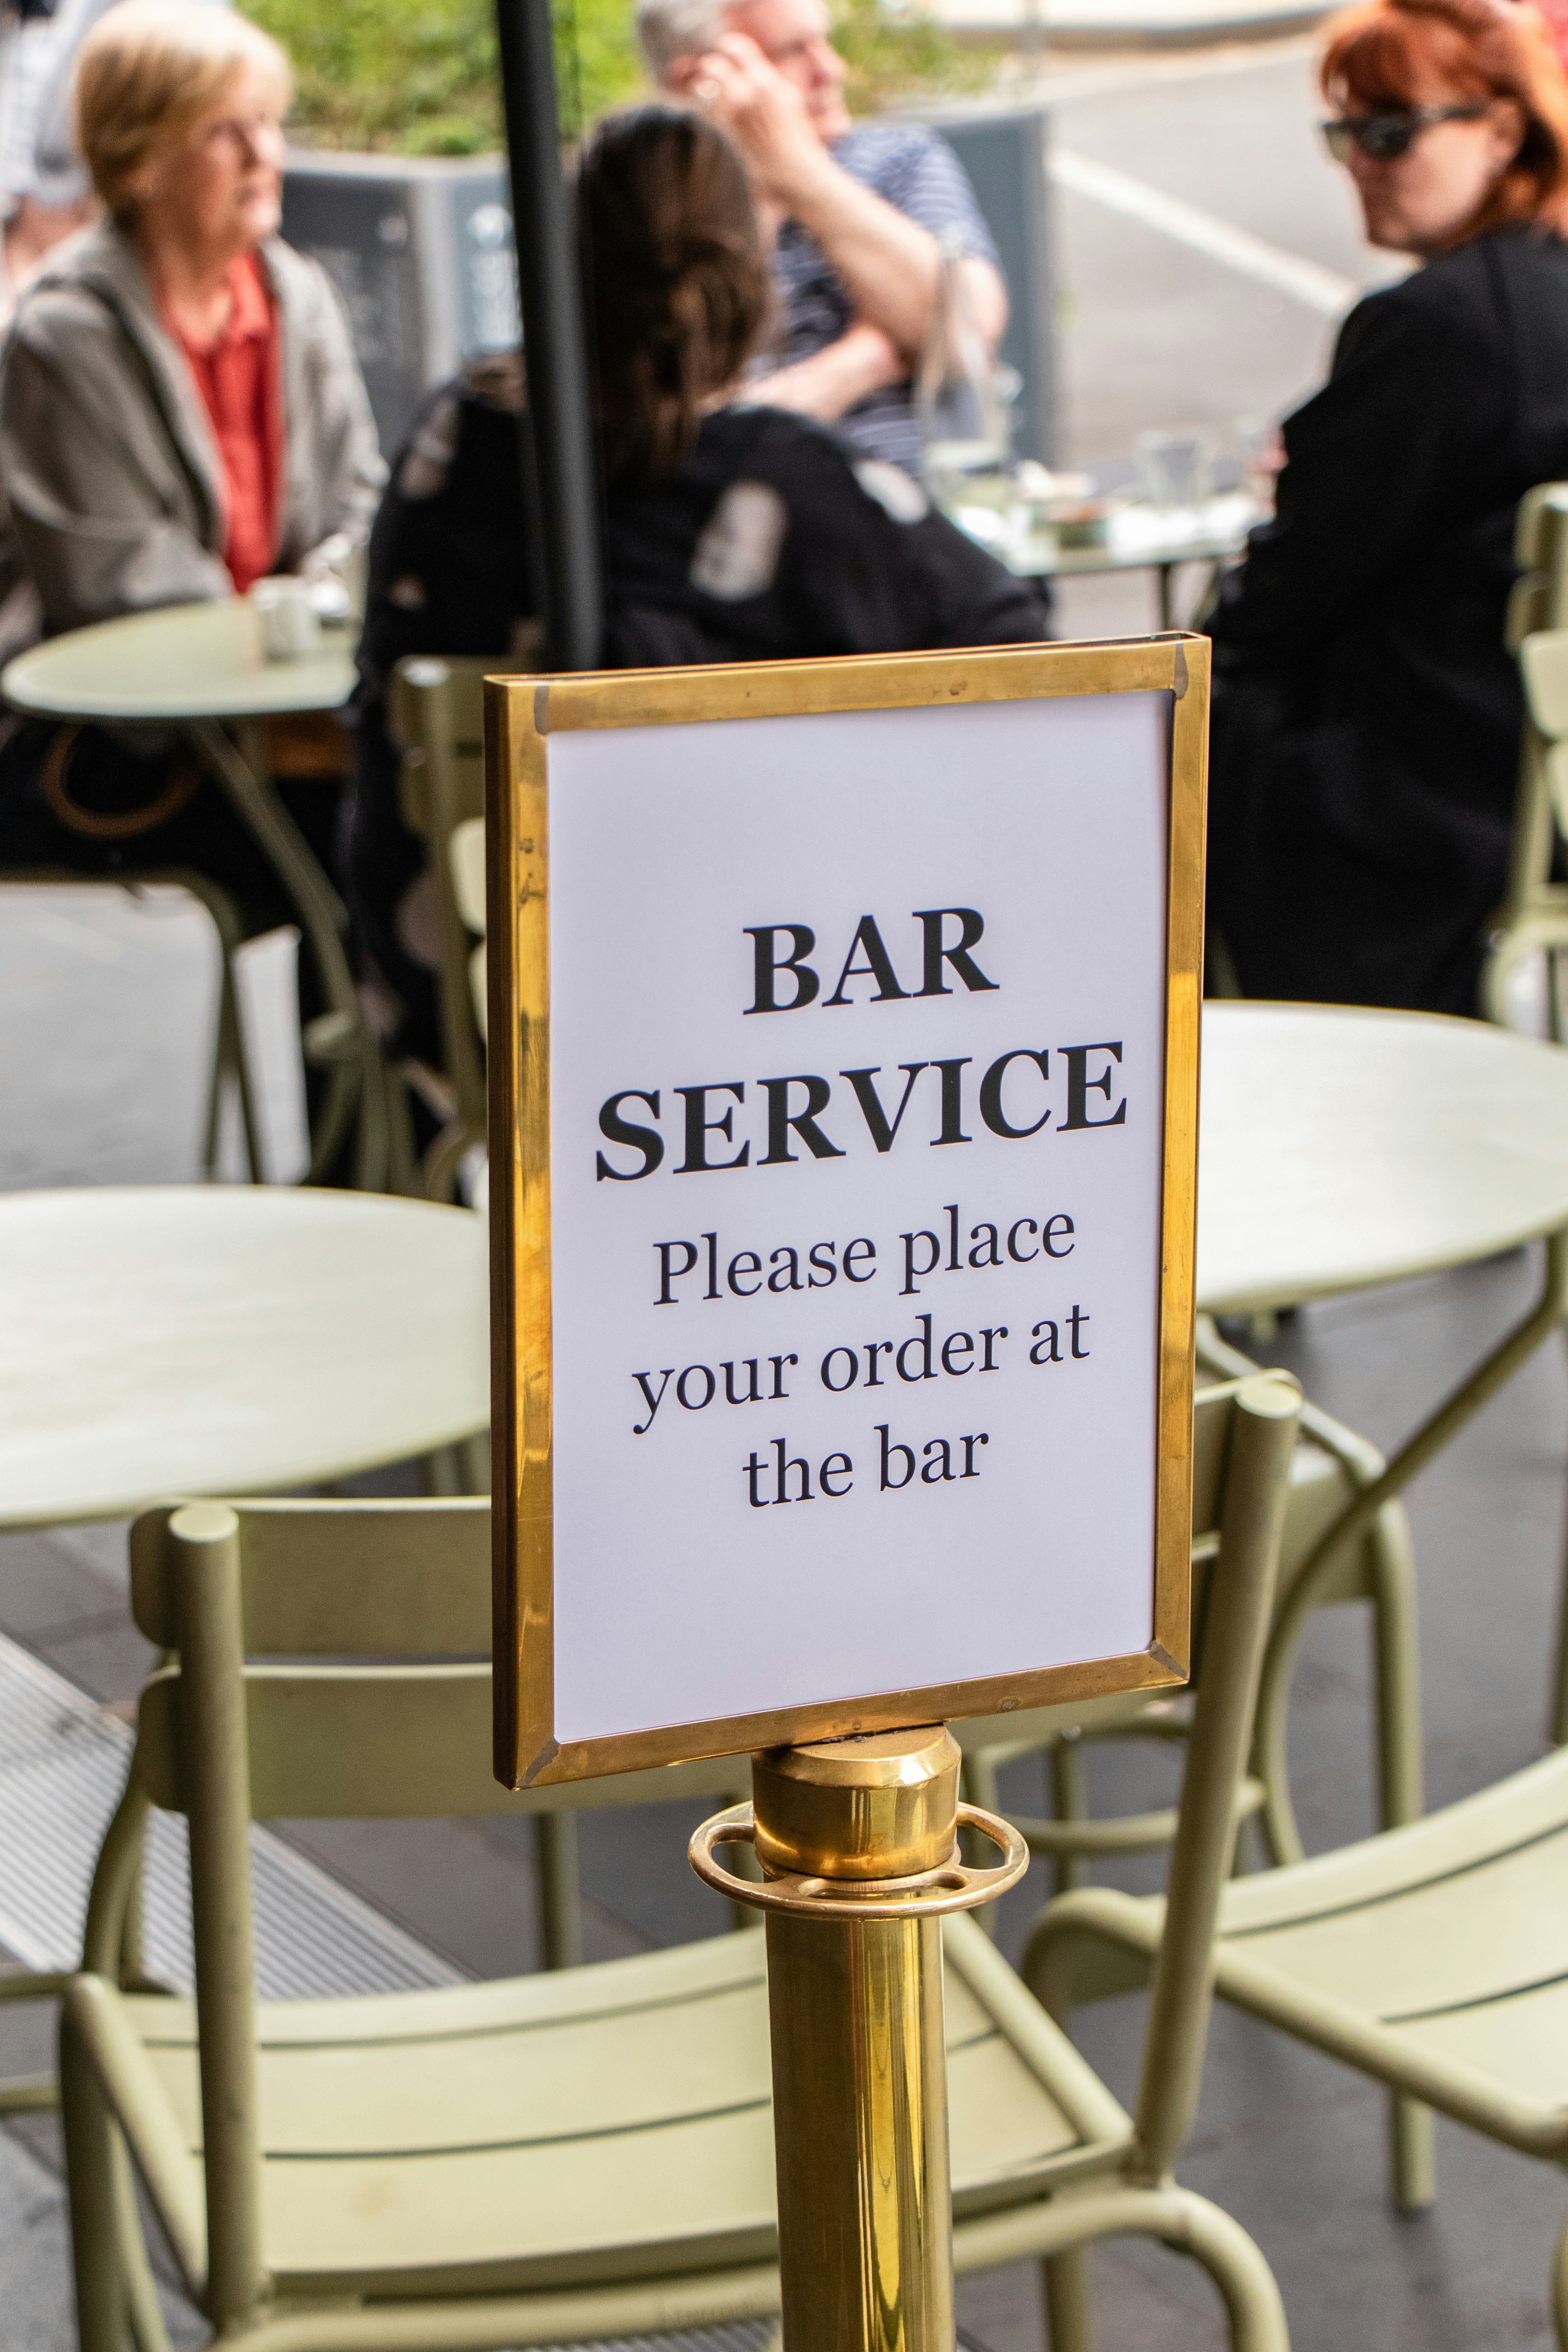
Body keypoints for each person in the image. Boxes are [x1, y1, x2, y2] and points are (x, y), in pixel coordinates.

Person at [348, 104, 1043, 1074]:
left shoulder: (456, 442)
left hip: (476, 1008)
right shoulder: (801, 491)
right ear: (750, 269)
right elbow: (1016, 649)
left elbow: (380, 666)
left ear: (563, 259)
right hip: (754, 1043)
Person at [0, 0, 383, 1009]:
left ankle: (379, 1118)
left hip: (280, 713)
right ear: (136, 163)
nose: (267, 155)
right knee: (356, 831)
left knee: (395, 806)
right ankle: (355, 1135)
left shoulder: (292, 292)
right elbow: (116, 588)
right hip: (104, 745)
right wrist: (306, 626)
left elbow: (358, 504)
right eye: (226, 130)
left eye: (270, 123)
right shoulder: (61, 335)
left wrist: (319, 601)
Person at [1206, 0, 1568, 1015]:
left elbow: (1281, 598)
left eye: (1389, 130)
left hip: (1417, 806)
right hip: (1528, 783)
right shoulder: (1533, 296)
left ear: (1499, 131)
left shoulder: (1432, 331)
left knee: (1177, 717)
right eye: (1344, 133)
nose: (1360, 162)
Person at [636, 0, 1006, 473]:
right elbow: (692, 436)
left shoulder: (901, 160)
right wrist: (872, 357)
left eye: (823, 42)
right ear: (696, 83)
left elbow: (964, 334)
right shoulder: (651, 214)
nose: (830, 69)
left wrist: (802, 174)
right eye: (792, 51)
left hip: (937, 505)